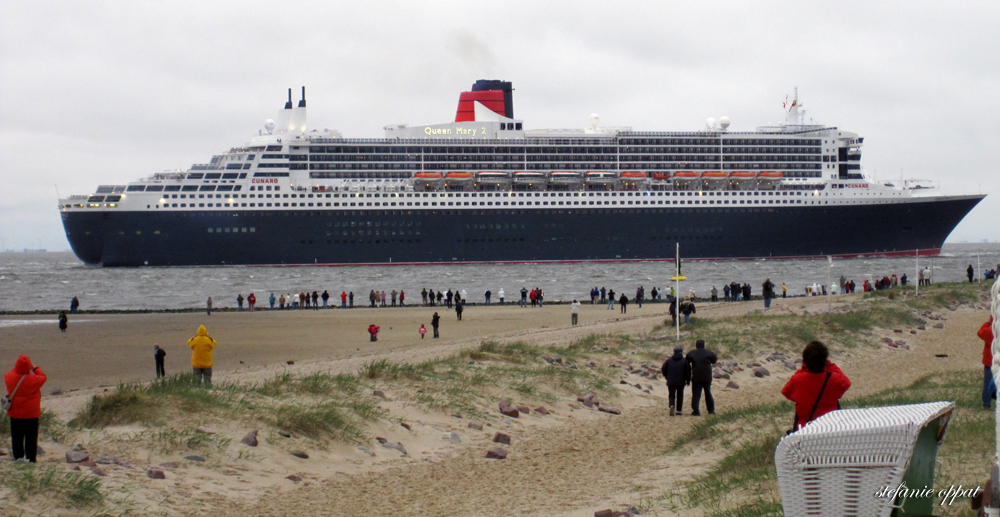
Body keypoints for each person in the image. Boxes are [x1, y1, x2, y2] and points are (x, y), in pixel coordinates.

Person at [781, 341, 851, 431]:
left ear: (805, 361)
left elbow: (786, 392)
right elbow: (846, 383)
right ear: (824, 360)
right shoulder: (834, 378)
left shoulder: (798, 380)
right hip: (830, 426)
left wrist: (804, 369)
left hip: (805, 428)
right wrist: (830, 365)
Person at [5, 356, 46, 462]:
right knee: (31, 437)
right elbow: (43, 377)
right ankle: (31, 458)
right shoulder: (33, 380)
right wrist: (34, 368)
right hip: (31, 413)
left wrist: (19, 367)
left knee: (16, 436)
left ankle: (18, 457)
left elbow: (12, 373)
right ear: (28, 366)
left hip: (15, 412)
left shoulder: (8, 377)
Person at [686, 339, 717, 416]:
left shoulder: (692, 353)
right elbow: (714, 360)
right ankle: (711, 410)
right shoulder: (709, 353)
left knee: (696, 394)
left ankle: (696, 411)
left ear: (696, 345)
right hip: (707, 376)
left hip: (696, 376)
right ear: (704, 345)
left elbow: (687, 361)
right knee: (708, 393)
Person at [661, 346, 690, 416]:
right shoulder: (684, 361)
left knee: (671, 395)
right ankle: (678, 410)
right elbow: (688, 371)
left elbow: (663, 369)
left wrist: (666, 377)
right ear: (681, 352)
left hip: (671, 380)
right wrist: (688, 380)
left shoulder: (669, 360)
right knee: (680, 395)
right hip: (681, 381)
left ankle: (671, 405)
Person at [978, 317, 996, 409]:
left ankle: (986, 404)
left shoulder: (989, 330)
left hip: (989, 362)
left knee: (987, 383)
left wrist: (987, 323)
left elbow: (980, 333)